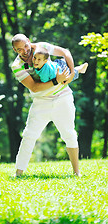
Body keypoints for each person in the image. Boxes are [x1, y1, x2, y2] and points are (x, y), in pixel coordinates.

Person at [11, 33, 84, 177]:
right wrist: (57, 80)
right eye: (19, 49)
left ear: (29, 41)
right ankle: (18, 174)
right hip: (41, 102)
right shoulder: (17, 66)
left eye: (25, 45)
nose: (24, 50)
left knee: (69, 134)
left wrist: (70, 75)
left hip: (63, 97)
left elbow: (65, 52)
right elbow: (35, 87)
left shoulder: (41, 47)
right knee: (29, 135)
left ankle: (77, 173)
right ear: (15, 50)